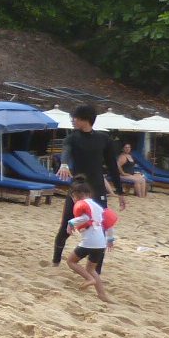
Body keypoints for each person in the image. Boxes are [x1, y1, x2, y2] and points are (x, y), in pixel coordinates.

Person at [53, 105, 127, 268]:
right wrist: (64, 164)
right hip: (78, 189)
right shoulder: (72, 138)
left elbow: (113, 167)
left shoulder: (103, 139)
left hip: (98, 188)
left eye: (75, 118)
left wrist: (120, 192)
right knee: (67, 223)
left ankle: (95, 269)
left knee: (100, 227)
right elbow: (66, 151)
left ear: (85, 119)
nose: (73, 120)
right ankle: (56, 262)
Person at [64, 179, 112, 302]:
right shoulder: (98, 207)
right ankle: (102, 295)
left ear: (77, 195)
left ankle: (89, 279)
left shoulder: (83, 204)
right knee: (91, 269)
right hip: (101, 242)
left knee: (71, 262)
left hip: (89, 241)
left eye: (73, 197)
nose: (74, 200)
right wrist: (110, 239)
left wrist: (70, 223)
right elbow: (108, 223)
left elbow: (85, 218)